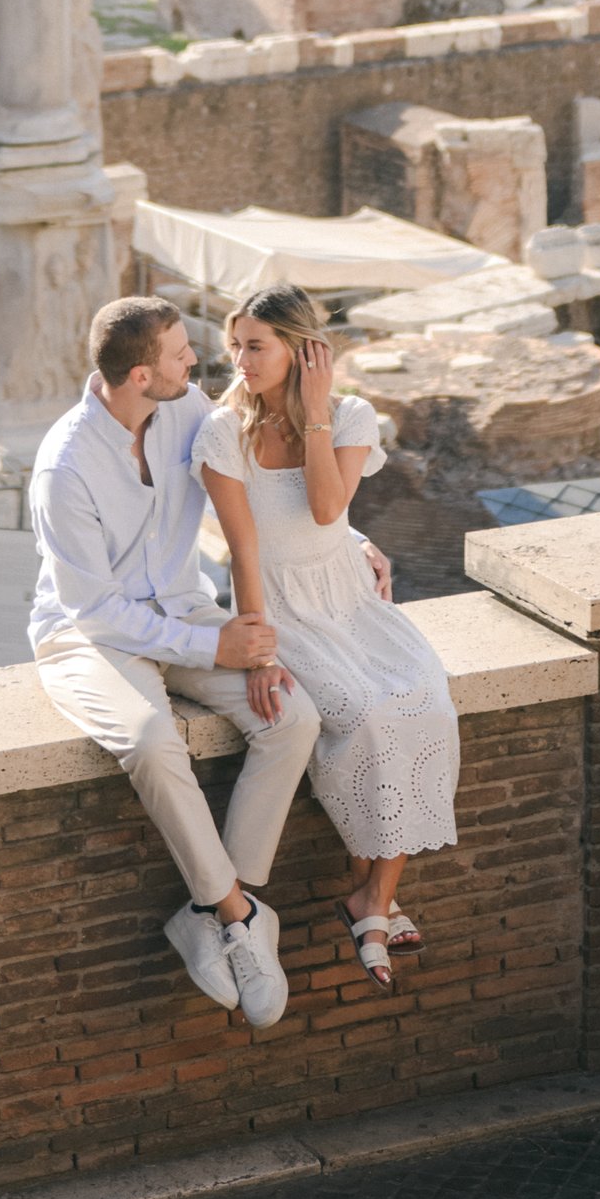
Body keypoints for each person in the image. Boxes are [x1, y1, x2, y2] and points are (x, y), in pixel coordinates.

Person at [27, 294, 328, 1028]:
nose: (195, 359)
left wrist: (352, 545)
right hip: (88, 637)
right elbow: (93, 608)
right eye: (178, 351)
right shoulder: (64, 468)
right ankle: (236, 908)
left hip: (183, 611)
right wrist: (214, 644)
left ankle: (217, 915)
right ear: (138, 373)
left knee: (293, 717)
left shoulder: (188, 410)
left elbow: (263, 490)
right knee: (151, 739)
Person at [197, 284, 459, 993]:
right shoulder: (223, 430)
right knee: (364, 712)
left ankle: (373, 895)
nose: (239, 359)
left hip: (350, 595)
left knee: (425, 699)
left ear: (303, 349)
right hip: (283, 608)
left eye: (256, 344)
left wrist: (315, 414)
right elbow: (244, 552)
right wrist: (260, 648)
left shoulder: (350, 416)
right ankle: (374, 901)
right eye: (235, 345)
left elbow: (324, 510)